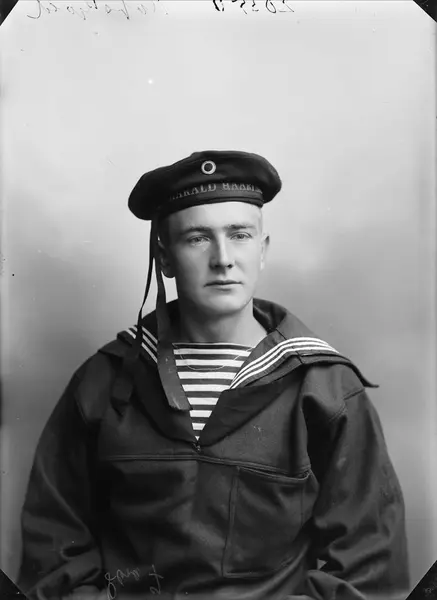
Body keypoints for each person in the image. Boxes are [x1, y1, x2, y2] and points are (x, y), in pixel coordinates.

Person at [17, 150, 410, 600]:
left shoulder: (324, 389)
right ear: (164, 258)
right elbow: (54, 547)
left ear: (262, 250)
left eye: (240, 235)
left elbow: (370, 566)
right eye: (198, 238)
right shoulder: (104, 381)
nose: (223, 259)